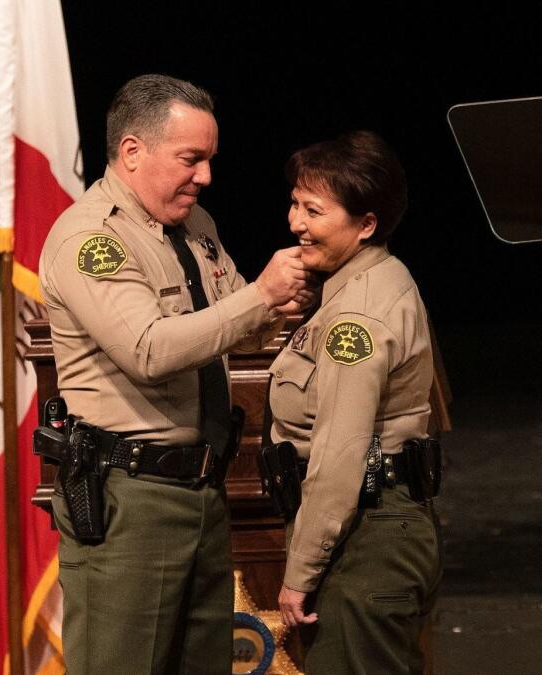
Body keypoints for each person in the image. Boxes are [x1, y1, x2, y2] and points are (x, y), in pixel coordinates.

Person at [39, 74, 312, 674]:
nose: (206, 176)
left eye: (210, 160)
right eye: (191, 159)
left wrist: (287, 300)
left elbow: (238, 318)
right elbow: (148, 349)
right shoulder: (92, 239)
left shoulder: (196, 228)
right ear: (133, 151)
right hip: (131, 501)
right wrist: (261, 298)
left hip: (202, 493)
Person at [269, 131, 441, 672]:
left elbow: (341, 454)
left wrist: (300, 574)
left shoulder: (355, 317)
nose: (296, 222)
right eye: (295, 203)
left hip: (364, 539)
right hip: (374, 531)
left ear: (365, 224)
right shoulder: (358, 285)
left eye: (314, 210)